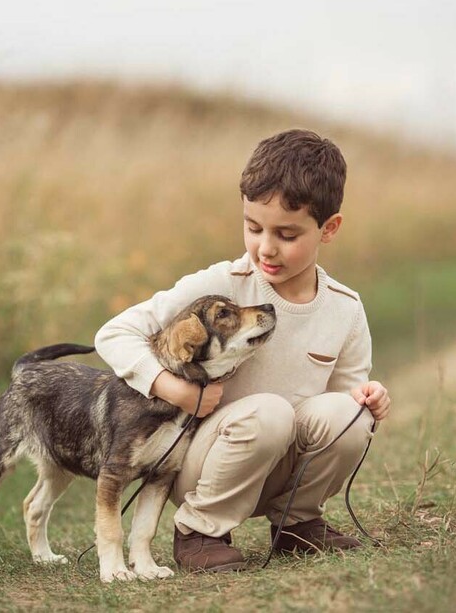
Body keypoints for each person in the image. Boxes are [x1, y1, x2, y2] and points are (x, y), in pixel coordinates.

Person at [94, 129, 392, 573]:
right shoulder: (223, 283)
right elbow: (114, 334)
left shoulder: (344, 308)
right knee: (269, 412)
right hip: (205, 462)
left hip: (284, 461)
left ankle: (297, 523)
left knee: (352, 415)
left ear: (328, 229)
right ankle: (200, 529)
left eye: (287, 235)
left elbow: (344, 397)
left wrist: (368, 398)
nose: (265, 248)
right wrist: (177, 391)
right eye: (253, 228)